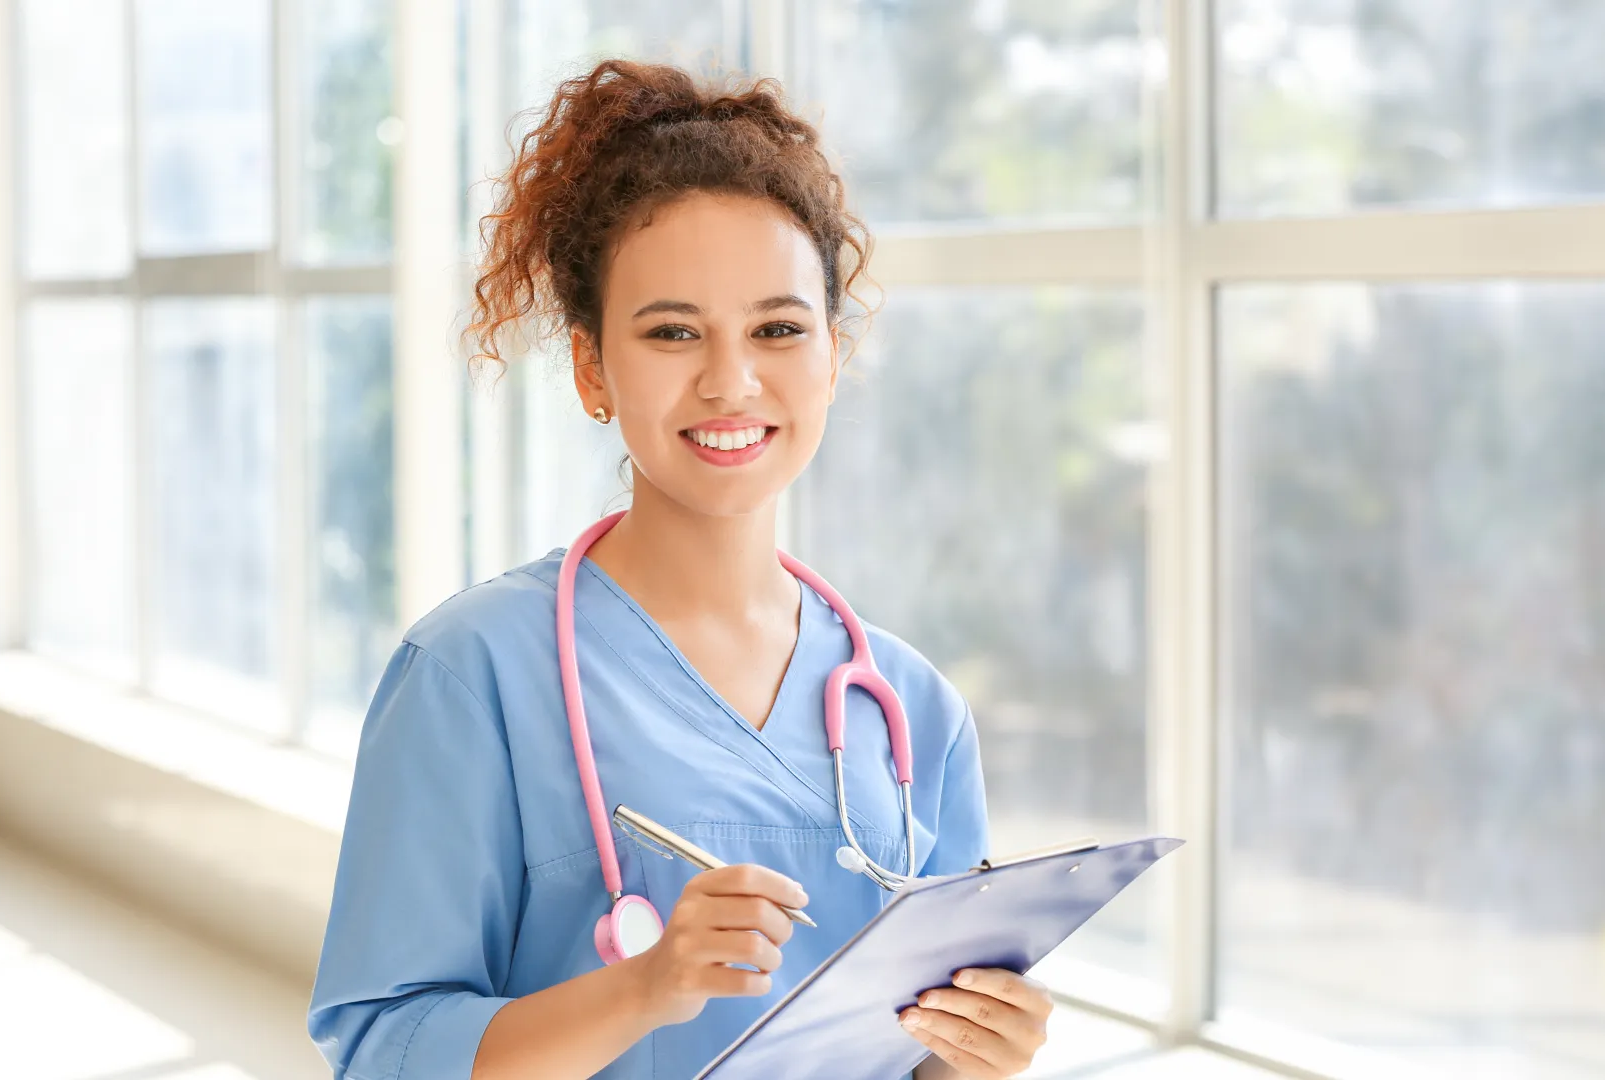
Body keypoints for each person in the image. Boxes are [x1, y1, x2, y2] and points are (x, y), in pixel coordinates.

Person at [306, 59, 1054, 1080]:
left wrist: (972, 1061)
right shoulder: (469, 673)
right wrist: (644, 990)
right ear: (590, 368)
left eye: (778, 330)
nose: (730, 380)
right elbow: (380, 1050)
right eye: (671, 333)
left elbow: (905, 1051)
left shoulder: (914, 711)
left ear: (833, 355)